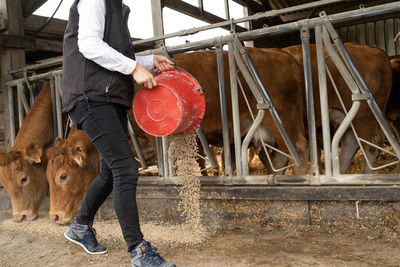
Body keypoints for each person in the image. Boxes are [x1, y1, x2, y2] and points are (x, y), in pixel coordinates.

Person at [61, 0, 175, 266]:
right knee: (125, 168)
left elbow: (109, 52)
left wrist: (148, 60)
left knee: (111, 171)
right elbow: (89, 45)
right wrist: (135, 69)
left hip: (107, 97)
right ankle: (138, 250)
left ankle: (80, 227)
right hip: (91, 97)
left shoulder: (115, 7)